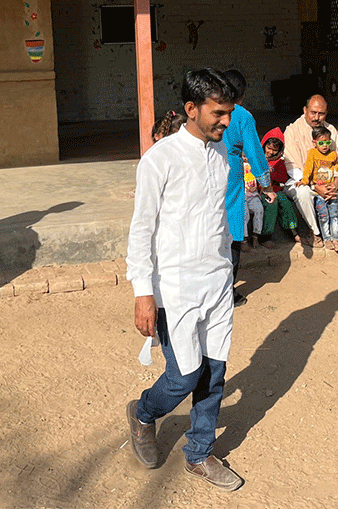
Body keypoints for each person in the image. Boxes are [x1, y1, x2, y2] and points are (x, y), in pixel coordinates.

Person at [126, 68, 243, 491]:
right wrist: (144, 293)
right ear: (191, 109)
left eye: (229, 113)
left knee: (214, 373)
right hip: (174, 287)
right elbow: (141, 229)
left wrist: (228, 268)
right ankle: (143, 413)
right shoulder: (160, 159)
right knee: (183, 376)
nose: (225, 121)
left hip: (216, 281)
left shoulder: (222, 154)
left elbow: (215, 220)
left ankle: (199, 453)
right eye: (218, 113)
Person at [222, 70, 275, 307]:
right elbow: (254, 152)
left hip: (202, 171)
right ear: (241, 96)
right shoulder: (241, 116)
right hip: (231, 174)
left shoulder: (205, 111)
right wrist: (266, 185)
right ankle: (227, 293)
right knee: (233, 230)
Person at [283, 95, 338, 247]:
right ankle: (316, 232)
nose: (317, 117)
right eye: (313, 112)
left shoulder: (330, 130)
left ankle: (334, 230)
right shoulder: (292, 131)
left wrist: (335, 184)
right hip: (304, 182)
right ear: (305, 110)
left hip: (329, 182)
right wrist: (315, 186)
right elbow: (293, 168)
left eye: (321, 114)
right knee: (302, 193)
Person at [297, 127, 338, 254]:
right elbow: (308, 167)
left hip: (330, 189)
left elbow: (334, 166)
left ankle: (335, 239)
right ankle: (326, 239)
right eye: (321, 143)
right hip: (318, 192)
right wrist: (304, 181)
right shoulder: (312, 154)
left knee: (334, 215)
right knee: (323, 215)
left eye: (328, 142)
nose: (325, 146)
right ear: (314, 142)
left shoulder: (333, 154)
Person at [258, 129, 301, 244]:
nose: (271, 152)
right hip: (261, 191)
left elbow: (284, 178)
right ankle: (265, 236)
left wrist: (272, 173)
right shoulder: (257, 159)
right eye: (269, 148)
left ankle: (292, 230)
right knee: (271, 205)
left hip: (276, 189)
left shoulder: (280, 162)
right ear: (264, 145)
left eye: (274, 150)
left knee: (286, 204)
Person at [243, 156, 264, 249]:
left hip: (253, 195)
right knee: (244, 213)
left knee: (259, 210)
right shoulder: (235, 164)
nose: (245, 158)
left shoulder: (254, 164)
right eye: (243, 156)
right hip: (241, 195)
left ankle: (255, 236)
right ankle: (243, 240)